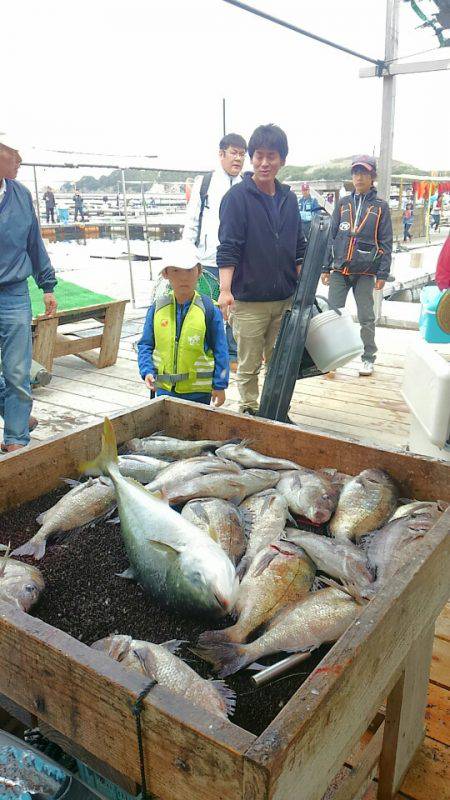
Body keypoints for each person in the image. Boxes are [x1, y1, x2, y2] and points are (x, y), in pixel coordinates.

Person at [217, 123, 306, 416]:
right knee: (248, 364)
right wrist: (225, 290)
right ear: (252, 158)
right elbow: (228, 247)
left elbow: (298, 246)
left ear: (282, 159)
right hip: (249, 301)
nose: (264, 163)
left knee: (280, 364)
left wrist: (304, 285)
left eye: (272, 156)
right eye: (259, 155)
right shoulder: (236, 199)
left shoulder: (289, 199)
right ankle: (249, 411)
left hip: (284, 299)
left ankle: (277, 411)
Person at [0, 138, 57, 452]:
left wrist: (47, 286)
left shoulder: (20, 194)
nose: (19, 164)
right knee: (11, 377)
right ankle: (15, 414)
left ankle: (16, 438)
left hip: (14, 294)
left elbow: (35, 242)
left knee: (18, 370)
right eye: (15, 159)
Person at [321, 154, 393, 377]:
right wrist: (325, 267)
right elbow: (330, 237)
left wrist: (383, 272)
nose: (359, 177)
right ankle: (330, 359)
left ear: (372, 177)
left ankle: (368, 357)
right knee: (332, 315)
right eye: (355, 173)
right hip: (339, 270)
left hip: (365, 272)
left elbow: (387, 241)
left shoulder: (381, 207)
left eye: (363, 173)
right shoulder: (342, 204)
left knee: (366, 317)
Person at [137, 240, 229, 407]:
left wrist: (220, 385)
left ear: (199, 271)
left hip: (199, 393)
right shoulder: (157, 309)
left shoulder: (209, 310)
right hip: (163, 390)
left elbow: (221, 350)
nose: (183, 277)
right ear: (165, 273)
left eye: (189, 270)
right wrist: (147, 371)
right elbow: (145, 344)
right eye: (176, 270)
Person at [183, 132, 247, 366]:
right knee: (205, 309)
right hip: (207, 257)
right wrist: (188, 257)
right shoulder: (205, 183)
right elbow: (191, 222)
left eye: (242, 154)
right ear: (221, 154)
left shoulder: (246, 185)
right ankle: (206, 351)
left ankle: (231, 354)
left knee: (233, 308)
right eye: (233, 152)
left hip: (236, 261)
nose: (238, 158)